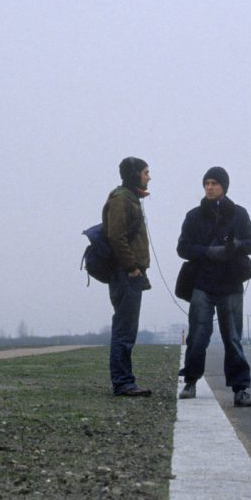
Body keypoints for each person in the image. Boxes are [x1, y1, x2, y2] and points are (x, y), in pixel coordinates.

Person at [177, 166, 251, 407]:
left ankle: (240, 389)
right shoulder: (193, 216)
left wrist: (236, 246)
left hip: (231, 283)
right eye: (206, 183)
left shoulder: (239, 214)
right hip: (202, 283)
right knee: (198, 336)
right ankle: (190, 381)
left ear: (224, 186)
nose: (209, 187)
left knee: (233, 338)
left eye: (214, 183)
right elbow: (182, 248)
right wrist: (207, 251)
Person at [103, 156, 153, 397]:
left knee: (127, 329)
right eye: (145, 172)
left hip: (130, 274)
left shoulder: (130, 198)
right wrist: (132, 267)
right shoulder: (121, 199)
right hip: (126, 274)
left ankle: (125, 380)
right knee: (124, 330)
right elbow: (116, 237)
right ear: (134, 174)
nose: (149, 176)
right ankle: (123, 383)